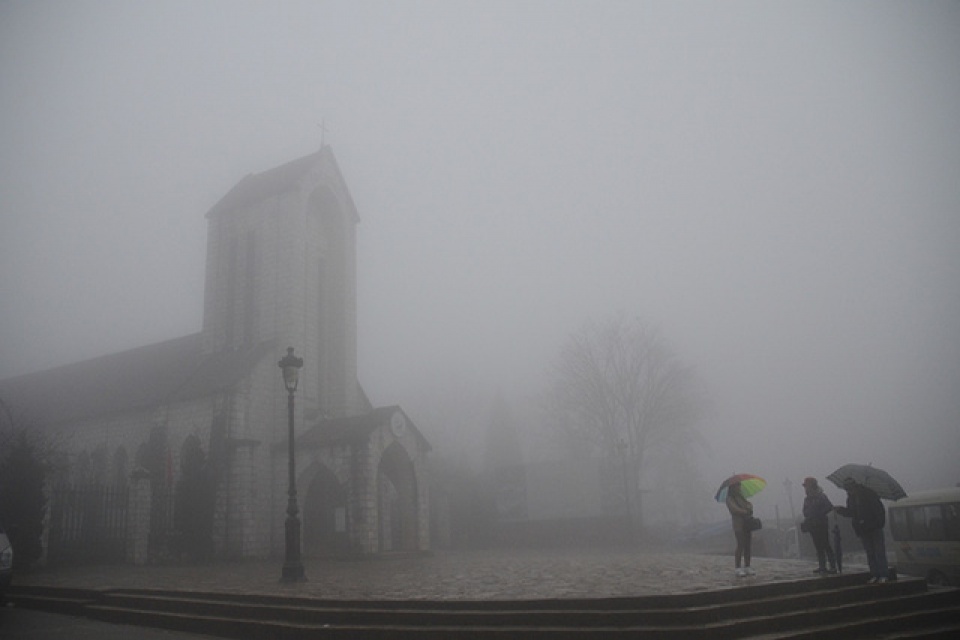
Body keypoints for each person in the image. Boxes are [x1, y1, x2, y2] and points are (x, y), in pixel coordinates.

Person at [835, 478, 889, 583]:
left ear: (854, 486)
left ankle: (883, 574)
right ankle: (875, 574)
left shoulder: (869, 494)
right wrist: (841, 510)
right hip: (863, 529)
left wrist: (878, 524)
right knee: (870, 553)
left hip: (874, 528)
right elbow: (851, 513)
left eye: (849, 488)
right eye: (846, 489)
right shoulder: (850, 498)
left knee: (879, 552)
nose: (848, 491)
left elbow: (879, 509)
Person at [800, 477, 837, 574]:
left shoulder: (821, 496)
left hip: (821, 524)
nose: (805, 488)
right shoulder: (807, 499)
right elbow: (804, 511)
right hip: (812, 525)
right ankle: (822, 566)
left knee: (826, 545)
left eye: (806, 486)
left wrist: (818, 514)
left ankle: (833, 566)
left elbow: (829, 507)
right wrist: (808, 514)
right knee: (818, 547)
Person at [725, 481, 755, 577]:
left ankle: (747, 566)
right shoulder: (730, 499)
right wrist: (745, 511)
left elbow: (749, 504)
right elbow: (734, 509)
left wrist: (749, 508)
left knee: (748, 545)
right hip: (738, 525)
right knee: (740, 545)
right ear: (733, 487)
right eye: (738, 486)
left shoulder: (741, 497)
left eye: (739, 486)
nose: (739, 488)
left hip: (747, 524)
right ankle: (737, 567)